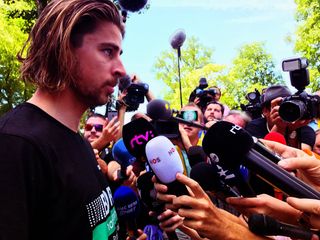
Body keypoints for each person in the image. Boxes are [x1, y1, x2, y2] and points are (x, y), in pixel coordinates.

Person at [0, 0, 146, 239]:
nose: (121, 69)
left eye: (119, 54)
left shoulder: (78, 143)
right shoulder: (15, 145)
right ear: (63, 50)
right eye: (107, 51)